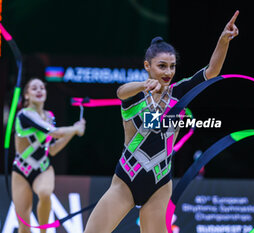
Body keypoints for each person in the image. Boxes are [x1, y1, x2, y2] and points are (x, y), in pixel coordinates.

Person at [84, 10, 239, 233]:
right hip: (127, 180)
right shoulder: (136, 96)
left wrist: (223, 40)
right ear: (148, 66)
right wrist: (143, 85)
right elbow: (120, 91)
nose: (168, 72)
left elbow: (211, 72)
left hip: (160, 183)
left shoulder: (179, 93)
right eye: (162, 66)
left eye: (172, 66)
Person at [12, 78, 86, 233]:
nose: (39, 90)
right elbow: (56, 133)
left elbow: (52, 149)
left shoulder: (50, 116)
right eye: (34, 88)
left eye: (42, 88)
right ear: (26, 95)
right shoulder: (24, 115)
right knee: (24, 227)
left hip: (43, 167)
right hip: (21, 171)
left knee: (45, 193)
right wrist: (75, 130)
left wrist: (73, 132)